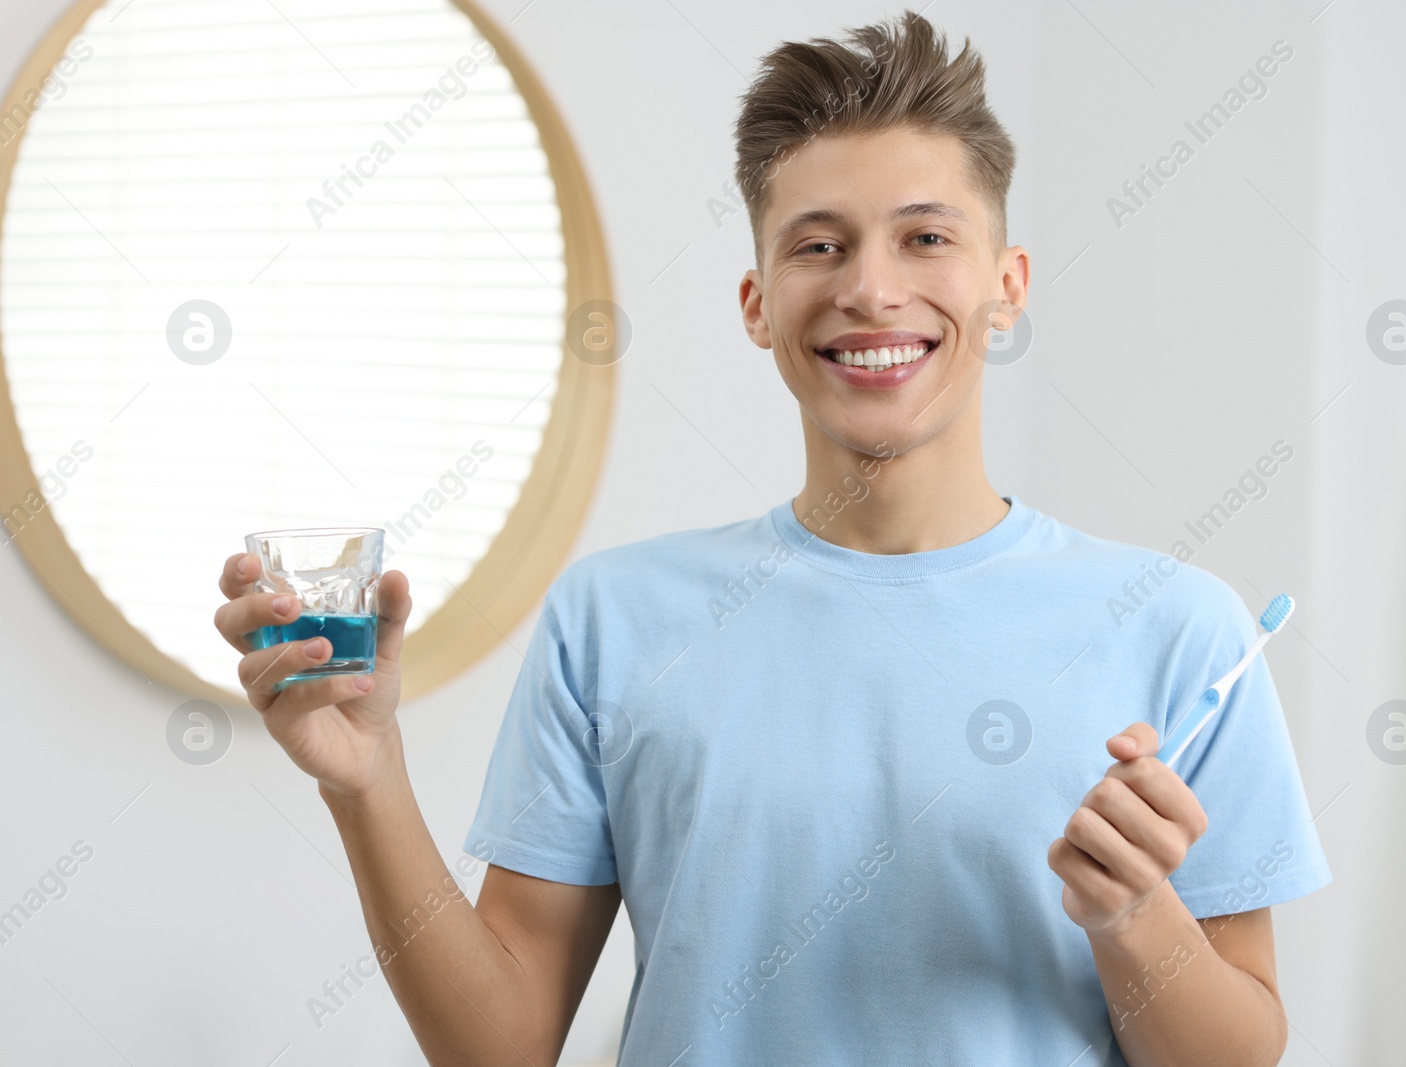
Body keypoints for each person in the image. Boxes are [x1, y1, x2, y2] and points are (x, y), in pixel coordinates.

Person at [213, 10, 1330, 1065]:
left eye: (925, 236)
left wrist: (1134, 915)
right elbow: (497, 1044)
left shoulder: (1179, 630)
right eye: (818, 246)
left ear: (1006, 285)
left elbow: (1237, 1050)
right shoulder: (613, 619)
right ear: (756, 301)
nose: (870, 289)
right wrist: (368, 782)